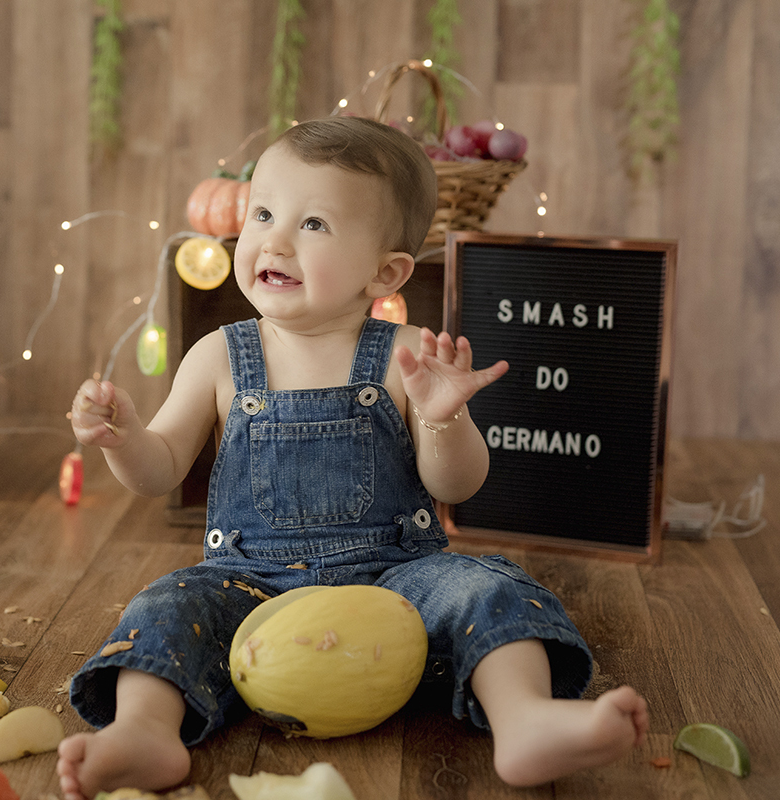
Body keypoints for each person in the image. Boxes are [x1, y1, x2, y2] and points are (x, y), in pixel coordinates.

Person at [57, 116, 648, 800]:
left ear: (386, 270)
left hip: (397, 583)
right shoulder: (219, 355)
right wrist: (125, 437)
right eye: (265, 213)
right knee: (166, 604)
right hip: (250, 590)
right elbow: (159, 469)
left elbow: (455, 482)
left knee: (489, 589)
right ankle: (145, 732)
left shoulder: (404, 356)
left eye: (313, 225)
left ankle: (525, 721)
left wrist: (443, 414)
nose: (275, 239)